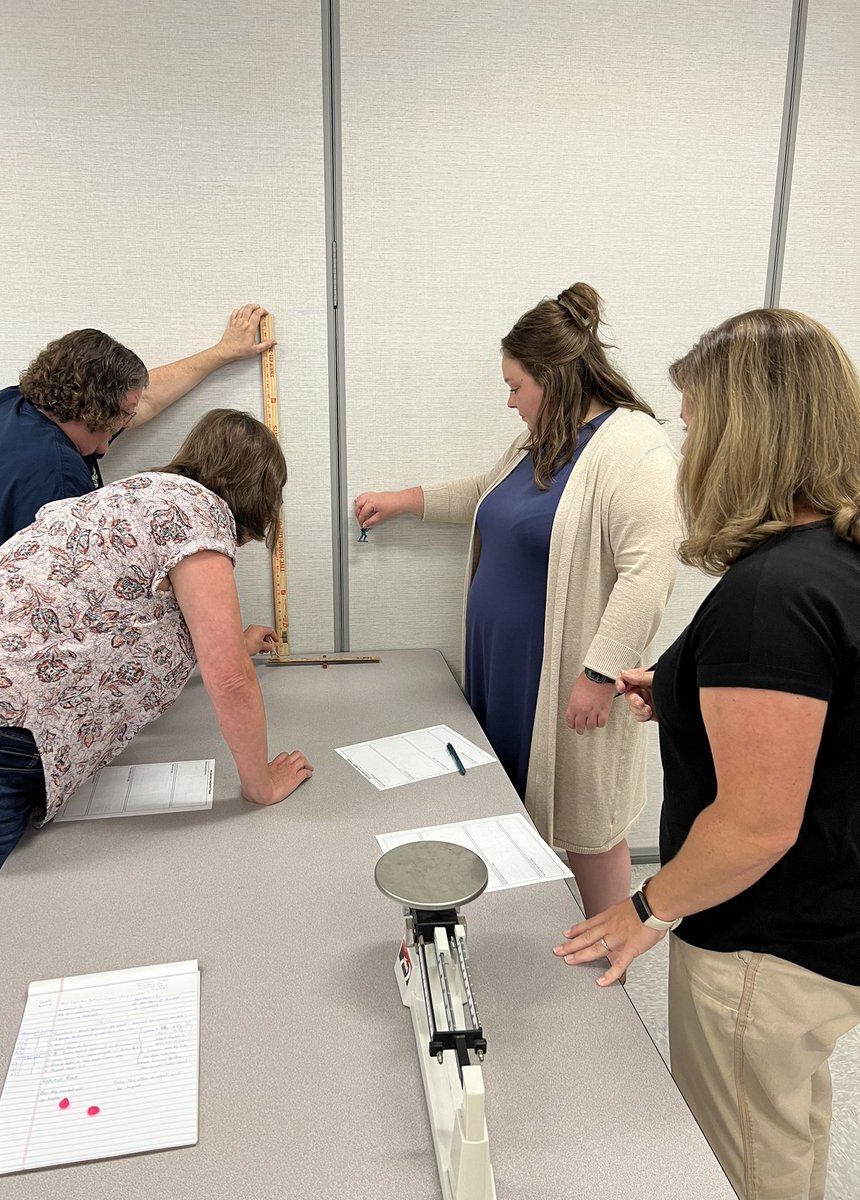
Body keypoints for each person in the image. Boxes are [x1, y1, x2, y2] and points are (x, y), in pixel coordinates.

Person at [554, 308, 860, 1200]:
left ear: (743, 432)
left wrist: (644, 908)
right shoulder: (833, 561)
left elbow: (758, 824)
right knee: (787, 1135)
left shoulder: (774, 593)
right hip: (829, 925)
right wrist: (686, 688)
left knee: (743, 1171)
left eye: (691, 424)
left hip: (761, 947)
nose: (685, 449)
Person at [354, 284, 679, 917]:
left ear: (553, 380)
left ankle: (611, 938)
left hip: (566, 676)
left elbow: (648, 573)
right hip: (504, 668)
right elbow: (490, 491)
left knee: (591, 817)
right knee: (511, 803)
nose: (510, 401)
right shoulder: (548, 437)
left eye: (515, 387)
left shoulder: (633, 448)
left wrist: (597, 673)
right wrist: (405, 501)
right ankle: (532, 928)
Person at [0, 408, 312, 941]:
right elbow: (232, 681)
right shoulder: (199, 518)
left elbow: (121, 612)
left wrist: (233, 643)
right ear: (259, 488)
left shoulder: (143, 494)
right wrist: (260, 784)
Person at [0, 303, 274, 574]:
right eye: (124, 413)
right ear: (94, 410)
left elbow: (147, 400)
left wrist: (223, 352)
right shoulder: (58, 479)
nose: (129, 421)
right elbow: (70, 589)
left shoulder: (7, 403)